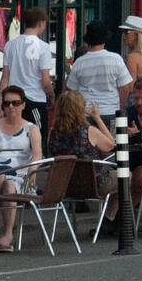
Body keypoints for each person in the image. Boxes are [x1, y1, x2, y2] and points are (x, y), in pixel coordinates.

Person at [0, 85, 43, 252]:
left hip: (19, 176)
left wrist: (32, 171)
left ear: (23, 105)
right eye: (7, 103)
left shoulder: (31, 129)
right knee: (0, 178)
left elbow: (37, 154)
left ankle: (2, 233)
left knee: (8, 183)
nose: (11, 106)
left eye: (15, 103)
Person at [47, 89, 117, 233]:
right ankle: (110, 219)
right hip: (94, 185)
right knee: (126, 176)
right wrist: (97, 118)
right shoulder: (88, 131)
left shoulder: (52, 132)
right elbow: (111, 145)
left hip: (65, 186)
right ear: (80, 109)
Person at [0, 7, 54, 144]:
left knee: (15, 138)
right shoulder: (43, 47)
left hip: (14, 101)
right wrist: (52, 96)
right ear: (41, 23)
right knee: (37, 140)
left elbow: (5, 77)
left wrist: (0, 104)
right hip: (35, 100)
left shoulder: (10, 45)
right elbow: (45, 81)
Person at [65, 21, 133, 128]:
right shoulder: (116, 59)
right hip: (110, 112)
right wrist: (121, 106)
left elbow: (71, 90)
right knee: (111, 143)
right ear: (104, 40)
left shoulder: (79, 62)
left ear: (88, 41)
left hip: (86, 114)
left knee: (88, 144)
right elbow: (125, 87)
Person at [120, 16, 142, 84]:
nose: (123, 35)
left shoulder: (132, 58)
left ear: (137, 35)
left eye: (127, 32)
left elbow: (130, 85)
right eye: (123, 31)